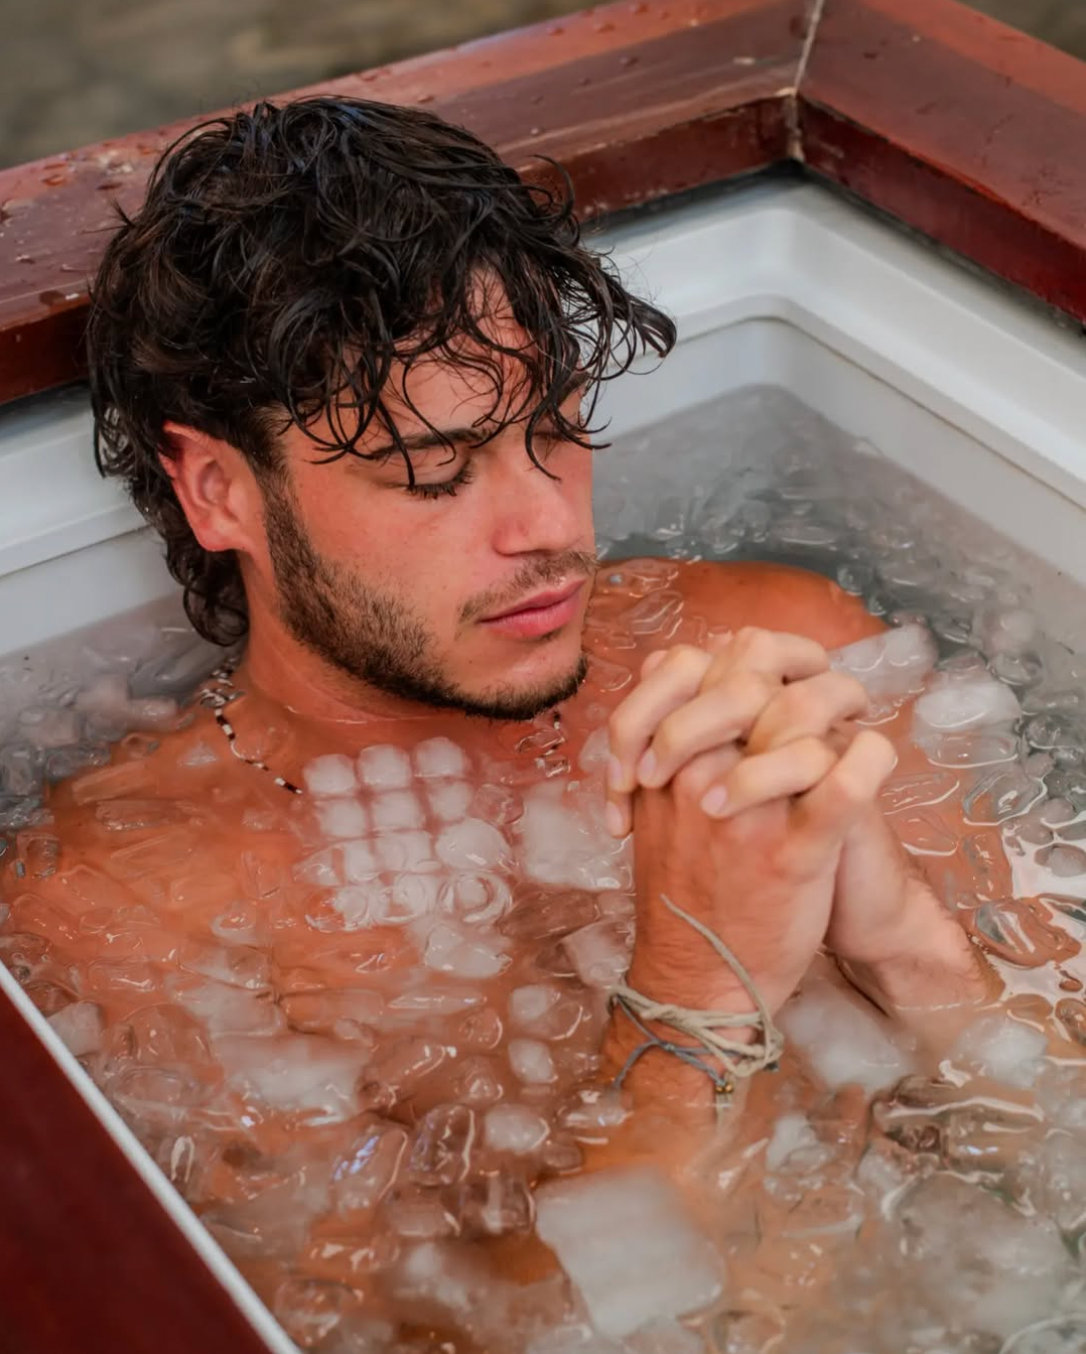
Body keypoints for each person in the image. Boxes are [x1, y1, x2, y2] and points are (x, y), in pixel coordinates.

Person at [2, 95, 988, 1333]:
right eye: (434, 470)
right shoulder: (131, 907)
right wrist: (692, 1005)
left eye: (558, 426)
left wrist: (896, 930)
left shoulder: (776, 644)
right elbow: (437, 1335)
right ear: (219, 490)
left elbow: (1044, 1121)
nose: (551, 527)